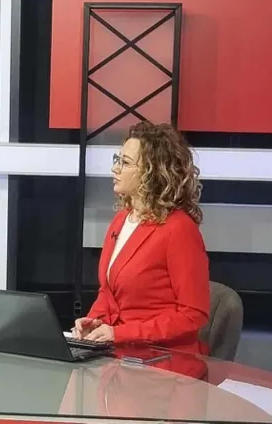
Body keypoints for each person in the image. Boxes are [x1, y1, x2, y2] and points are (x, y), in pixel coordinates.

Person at [73, 122, 210, 355]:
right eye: (117, 160)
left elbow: (193, 314)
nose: (115, 169)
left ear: (152, 172)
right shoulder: (122, 219)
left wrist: (120, 334)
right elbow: (109, 293)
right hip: (120, 353)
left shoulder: (179, 229)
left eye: (125, 163)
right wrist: (94, 321)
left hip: (164, 359)